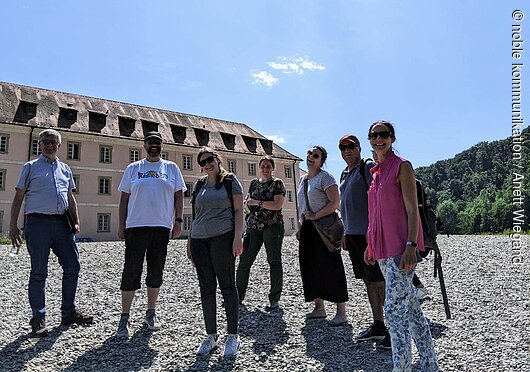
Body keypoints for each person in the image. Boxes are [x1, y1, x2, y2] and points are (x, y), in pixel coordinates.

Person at [364, 120, 439, 371]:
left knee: (394, 315)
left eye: (384, 134)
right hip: (383, 251)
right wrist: (369, 244)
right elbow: (376, 215)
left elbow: (412, 210)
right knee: (413, 310)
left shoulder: (402, 167)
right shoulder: (376, 173)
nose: (379, 138)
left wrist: (410, 246)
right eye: (374, 135)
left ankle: (402, 367)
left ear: (392, 138)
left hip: (401, 251)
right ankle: (429, 364)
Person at [9, 129, 93, 337]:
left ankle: (68, 312)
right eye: (45, 141)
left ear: (59, 145)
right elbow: (19, 197)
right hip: (37, 224)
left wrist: (76, 219)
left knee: (73, 266)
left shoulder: (65, 169)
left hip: (62, 224)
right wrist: (13, 225)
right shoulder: (30, 167)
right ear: (39, 144)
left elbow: (70, 197)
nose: (48, 144)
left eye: (53, 141)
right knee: (39, 272)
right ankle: (38, 318)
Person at [116, 131, 185, 338]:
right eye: (150, 142)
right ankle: (124, 317)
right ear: (144, 145)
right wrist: (122, 225)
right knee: (131, 270)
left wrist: (178, 220)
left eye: (157, 142)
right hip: (136, 226)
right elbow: (124, 199)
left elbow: (179, 194)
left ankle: (151, 312)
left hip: (161, 226)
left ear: (161, 145)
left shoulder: (171, 168)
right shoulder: (133, 168)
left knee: (156, 270)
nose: (154, 145)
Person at [188, 147, 244, 357]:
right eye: (202, 162)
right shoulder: (200, 184)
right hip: (199, 240)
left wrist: (238, 237)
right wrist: (190, 242)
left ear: (217, 159)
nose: (206, 164)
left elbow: (239, 211)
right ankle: (211, 335)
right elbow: (195, 214)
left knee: (227, 286)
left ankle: (232, 336)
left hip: (223, 236)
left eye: (209, 160)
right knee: (206, 288)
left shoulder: (230, 181)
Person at [338, 134, 391, 348]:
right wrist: (345, 232)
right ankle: (378, 325)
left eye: (350, 146)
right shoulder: (344, 173)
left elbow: (378, 197)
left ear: (359, 147)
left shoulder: (366, 166)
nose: (347, 151)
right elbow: (344, 206)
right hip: (353, 236)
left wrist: (375, 232)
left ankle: (392, 329)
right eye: (343, 148)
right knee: (368, 281)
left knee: (380, 282)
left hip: (370, 235)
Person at [296, 145, 349, 326]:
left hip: (324, 227)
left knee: (331, 266)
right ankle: (319, 307)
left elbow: (335, 202)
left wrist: (315, 216)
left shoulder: (325, 178)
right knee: (310, 267)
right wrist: (301, 226)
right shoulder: (303, 180)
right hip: (308, 228)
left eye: (316, 155)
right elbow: (302, 207)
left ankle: (341, 311)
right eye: (310, 153)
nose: (311, 156)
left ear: (321, 160)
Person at [236, 156, 286, 310]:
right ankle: (238, 296)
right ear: (259, 167)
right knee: (245, 261)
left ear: (272, 168)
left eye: (268, 166)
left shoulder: (277, 183)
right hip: (254, 227)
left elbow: (277, 205)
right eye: (263, 166)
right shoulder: (253, 183)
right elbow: (248, 202)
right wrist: (248, 204)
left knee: (274, 261)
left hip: (272, 226)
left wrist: (257, 203)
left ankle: (274, 298)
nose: (265, 169)